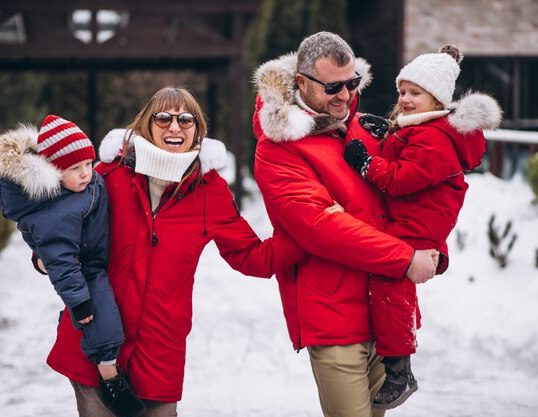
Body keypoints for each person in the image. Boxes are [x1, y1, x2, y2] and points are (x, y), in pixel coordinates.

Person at [43, 86, 309, 417]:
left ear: (198, 128)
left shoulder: (210, 191)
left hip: (159, 347)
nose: (175, 127)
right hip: (95, 340)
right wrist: (44, 258)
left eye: (186, 119)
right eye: (163, 117)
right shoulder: (109, 176)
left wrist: (310, 235)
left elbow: (252, 256)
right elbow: (61, 224)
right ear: (146, 124)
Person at [252, 31, 440, 417]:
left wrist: (435, 249)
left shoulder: (364, 129)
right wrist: (405, 258)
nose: (345, 95)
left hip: (385, 310)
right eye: (333, 86)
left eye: (353, 83)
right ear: (301, 83)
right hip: (334, 317)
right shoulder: (277, 149)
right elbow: (320, 228)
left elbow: (413, 198)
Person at [343, 45, 502, 409]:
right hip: (414, 220)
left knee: (389, 282)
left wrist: (366, 163)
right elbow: (405, 152)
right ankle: (400, 345)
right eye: (403, 92)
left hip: (417, 226)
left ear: (436, 99)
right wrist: (386, 133)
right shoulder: (425, 130)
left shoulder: (433, 138)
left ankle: (400, 373)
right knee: (395, 289)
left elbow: (402, 180)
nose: (405, 99)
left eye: (415, 94)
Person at [0, 115, 146, 417]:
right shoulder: (57, 211)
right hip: (83, 271)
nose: (86, 174)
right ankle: (111, 381)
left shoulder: (79, 186)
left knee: (108, 319)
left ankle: (108, 369)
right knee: (104, 323)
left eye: (88, 163)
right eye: (75, 168)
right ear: (54, 172)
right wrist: (79, 302)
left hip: (93, 261)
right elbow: (59, 261)